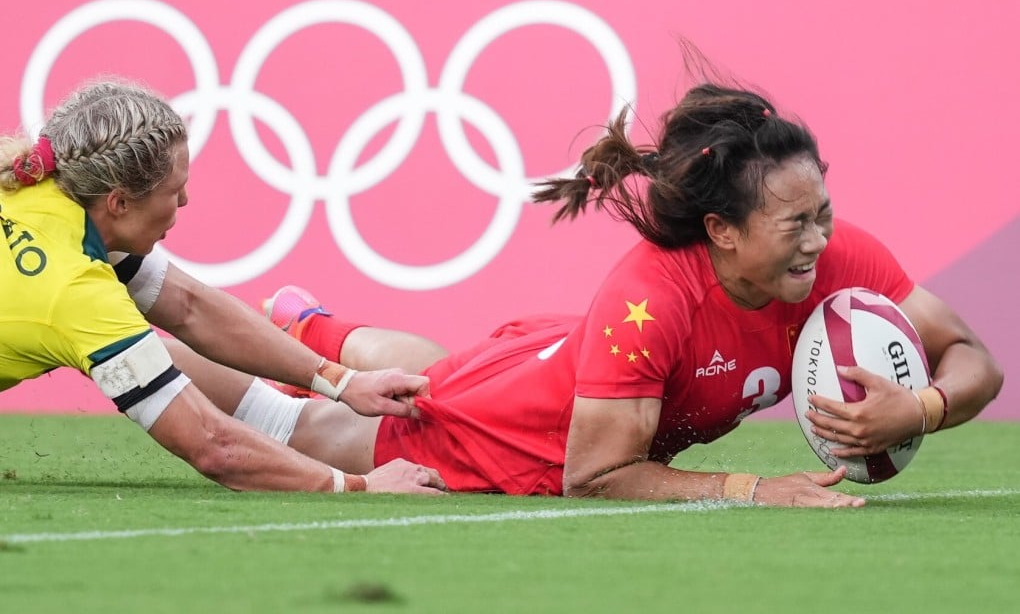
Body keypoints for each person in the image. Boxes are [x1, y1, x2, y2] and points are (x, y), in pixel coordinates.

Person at [248, 80, 1003, 507]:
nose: (818, 240)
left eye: (823, 215)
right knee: (308, 428)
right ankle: (217, 345)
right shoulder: (652, 297)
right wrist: (753, 488)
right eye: (794, 223)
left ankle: (314, 323)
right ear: (724, 231)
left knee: (442, 370)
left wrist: (922, 407)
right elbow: (596, 475)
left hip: (564, 368)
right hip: (514, 439)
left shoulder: (833, 257)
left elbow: (974, 358)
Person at [0, 79, 446, 495]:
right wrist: (358, 485)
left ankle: (295, 410)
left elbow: (189, 307)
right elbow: (213, 446)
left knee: (140, 353)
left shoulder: (47, 195)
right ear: (118, 202)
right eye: (175, 190)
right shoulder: (75, 292)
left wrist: (340, 380)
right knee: (130, 352)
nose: (186, 201)